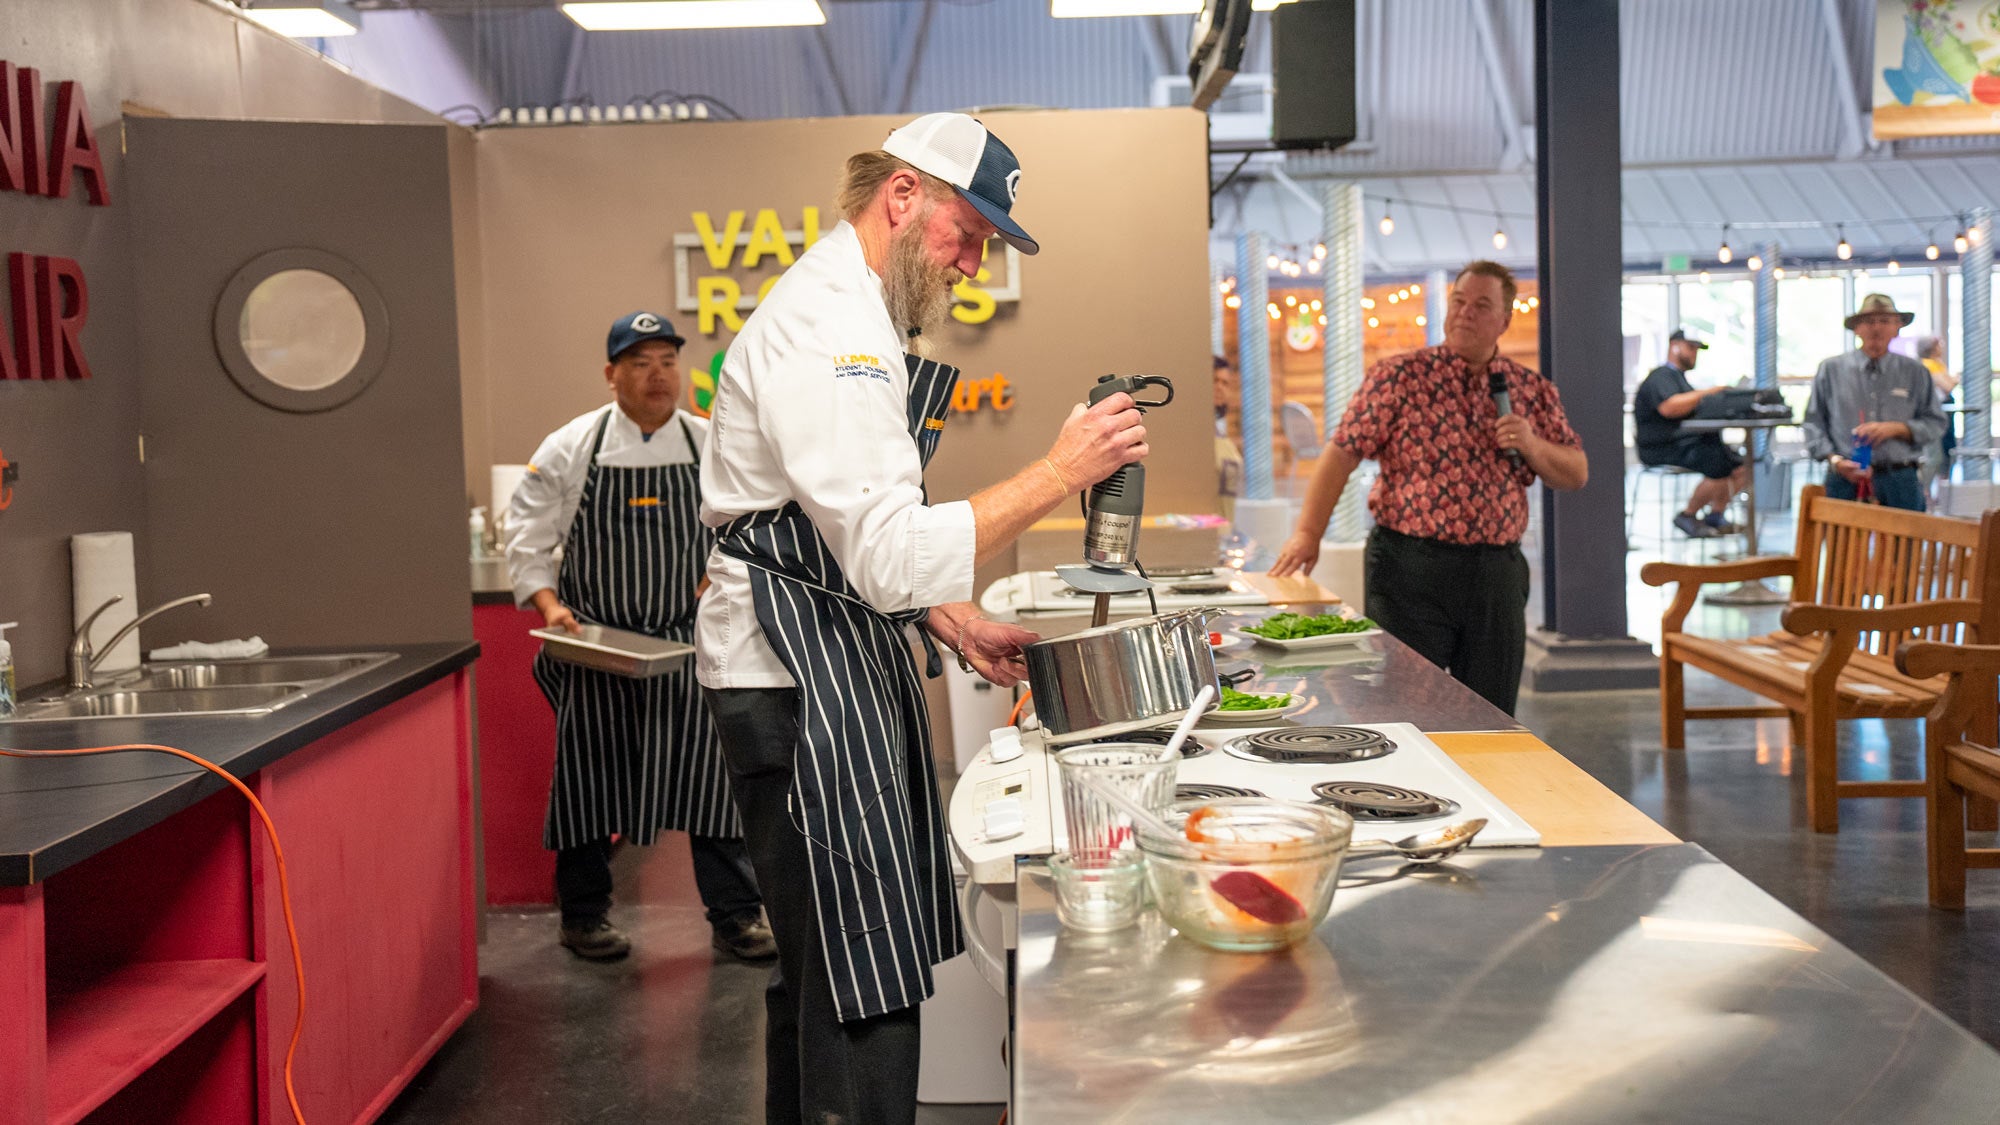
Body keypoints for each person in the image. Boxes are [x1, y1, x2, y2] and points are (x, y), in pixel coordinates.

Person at [693, 113, 1147, 1125]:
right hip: (793, 687)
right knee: (862, 981)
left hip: (816, 663)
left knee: (816, 974)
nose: (971, 260)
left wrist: (948, 619)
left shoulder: (852, 311)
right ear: (901, 196)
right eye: (967, 230)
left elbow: (826, 530)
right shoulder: (832, 332)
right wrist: (1062, 471)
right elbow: (886, 549)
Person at [506, 311, 776, 963]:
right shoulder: (574, 446)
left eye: (667, 362)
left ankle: (736, 916)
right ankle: (584, 915)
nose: (658, 377)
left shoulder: (710, 442)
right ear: (611, 374)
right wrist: (550, 604)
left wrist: (721, 579)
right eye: (640, 363)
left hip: (689, 648)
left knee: (712, 781)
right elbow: (528, 535)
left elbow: (744, 529)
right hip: (598, 645)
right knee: (588, 783)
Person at [1268, 261, 1587, 715]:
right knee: (1404, 710)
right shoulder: (1399, 377)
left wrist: (1532, 445)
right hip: (1409, 570)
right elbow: (1342, 452)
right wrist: (1308, 532)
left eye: (1481, 305)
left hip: (1495, 574)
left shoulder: (1529, 390)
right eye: (1459, 301)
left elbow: (1575, 472)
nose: (1465, 313)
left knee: (1491, 716)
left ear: (1504, 320)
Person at [1802, 294, 1946, 512]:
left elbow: (1936, 422)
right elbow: (1813, 424)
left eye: (1885, 321)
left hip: (1901, 480)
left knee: (1904, 546)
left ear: (1897, 327)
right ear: (1856, 328)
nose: (1876, 328)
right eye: (1869, 321)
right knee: (1843, 546)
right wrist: (1835, 460)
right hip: (1845, 480)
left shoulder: (1915, 372)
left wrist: (1898, 429)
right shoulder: (1831, 370)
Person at [1631, 328, 1751, 538]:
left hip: (1685, 444)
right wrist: (1709, 392)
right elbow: (1669, 407)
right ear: (1674, 345)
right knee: (1718, 462)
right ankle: (1688, 515)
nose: (1694, 354)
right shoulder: (1661, 376)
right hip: (1662, 448)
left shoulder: (1680, 379)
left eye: (1696, 349)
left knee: (1741, 466)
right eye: (1690, 347)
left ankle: (1715, 516)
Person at [1917, 335, 1958, 491]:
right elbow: (1948, 385)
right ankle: (1924, 491)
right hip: (1935, 414)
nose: (1942, 347)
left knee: (1944, 452)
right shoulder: (1928, 365)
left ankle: (1939, 491)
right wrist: (1953, 380)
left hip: (1945, 411)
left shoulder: (1937, 364)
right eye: (1939, 344)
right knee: (1934, 456)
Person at [1214, 354, 1244, 519]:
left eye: (1225, 383)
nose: (1220, 387)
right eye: (1214, 380)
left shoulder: (1220, 434)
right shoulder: (1194, 434)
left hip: (1226, 523)